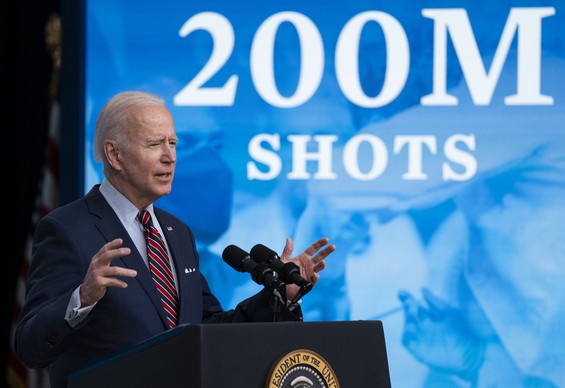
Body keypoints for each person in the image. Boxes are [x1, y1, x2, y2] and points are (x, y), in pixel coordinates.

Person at [12, 91, 336, 388]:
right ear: (115, 155)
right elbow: (30, 348)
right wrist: (82, 298)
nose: (170, 157)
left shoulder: (177, 232)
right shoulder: (66, 229)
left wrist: (280, 294)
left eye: (173, 143)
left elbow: (207, 326)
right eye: (155, 144)